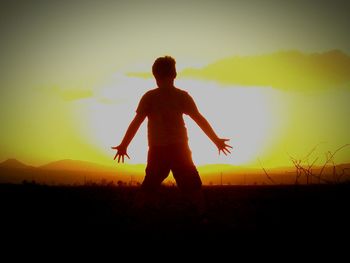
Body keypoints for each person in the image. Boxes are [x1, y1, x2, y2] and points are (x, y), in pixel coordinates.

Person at [111, 56, 232, 220]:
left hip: (160, 149)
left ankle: (137, 215)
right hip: (177, 148)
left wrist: (124, 145)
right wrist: (216, 140)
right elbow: (199, 119)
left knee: (150, 185)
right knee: (191, 186)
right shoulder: (181, 96)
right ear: (174, 74)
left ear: (155, 76)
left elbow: (136, 123)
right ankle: (202, 215)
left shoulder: (150, 97)